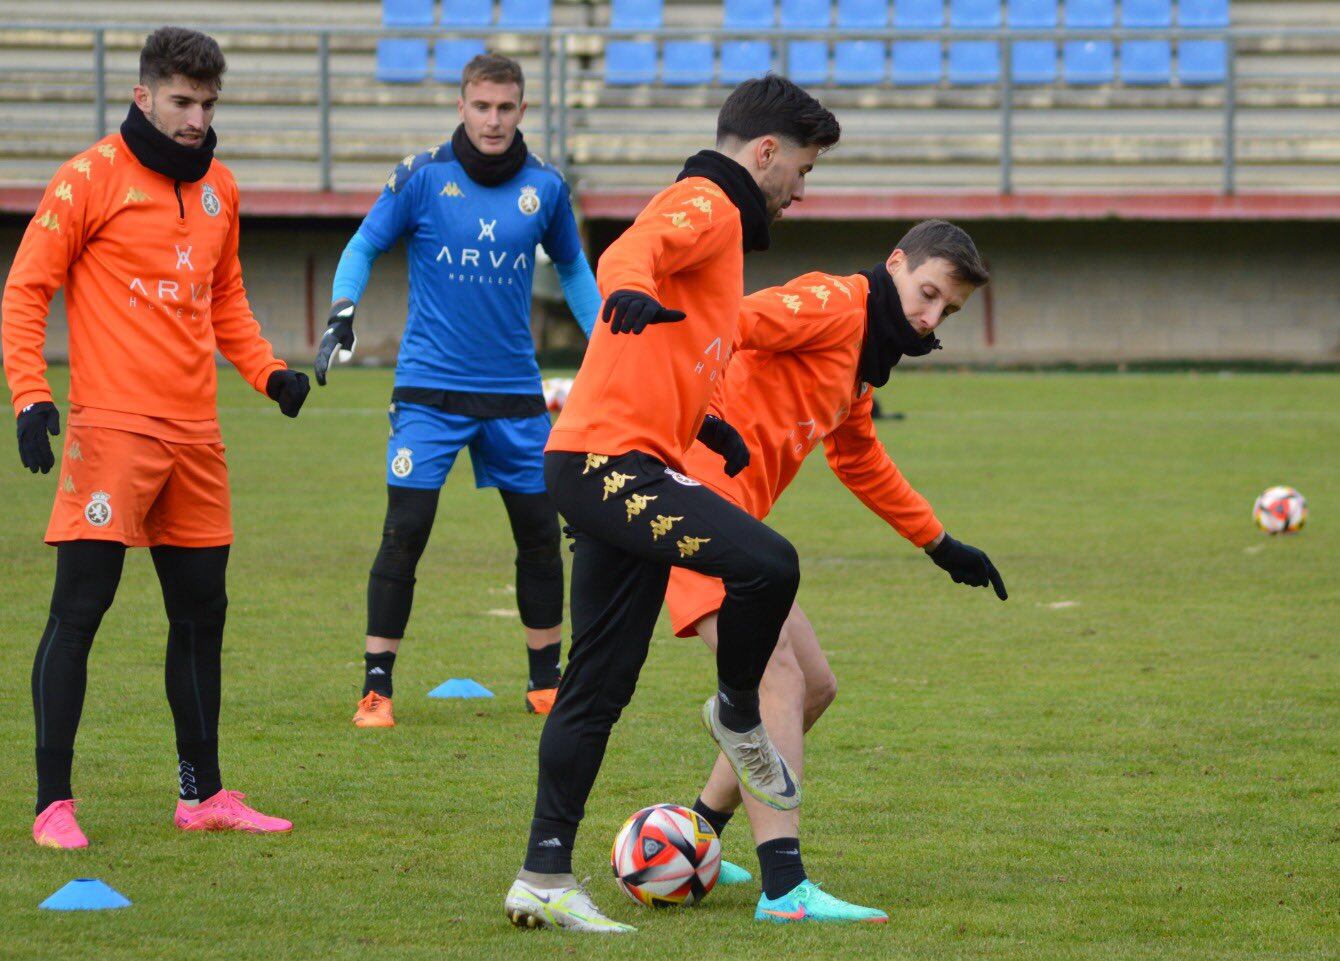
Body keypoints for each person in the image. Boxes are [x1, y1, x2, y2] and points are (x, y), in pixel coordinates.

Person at [503, 76, 841, 933]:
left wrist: (716, 428)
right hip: (609, 464)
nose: (802, 190)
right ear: (764, 153)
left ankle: (542, 874)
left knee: (598, 686)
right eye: (800, 169)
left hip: (626, 460)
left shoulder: (728, 231)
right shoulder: (710, 203)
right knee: (769, 561)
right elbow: (630, 250)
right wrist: (623, 287)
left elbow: (686, 357)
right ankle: (737, 712)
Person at [3, 26, 309, 849]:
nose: (195, 119)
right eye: (181, 101)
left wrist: (270, 373)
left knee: (203, 616)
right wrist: (31, 396)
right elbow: (26, 290)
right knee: (79, 611)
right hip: (110, 433)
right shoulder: (89, 178)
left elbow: (227, 301)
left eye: (208, 104)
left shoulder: (221, 189)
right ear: (144, 96)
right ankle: (52, 802)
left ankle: (202, 792)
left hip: (196, 439)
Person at [666, 220, 1008, 923]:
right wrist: (698, 420)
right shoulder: (832, 304)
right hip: (693, 510)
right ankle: (784, 888)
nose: (931, 317)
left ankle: (692, 839)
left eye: (949, 311)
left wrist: (940, 544)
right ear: (895, 264)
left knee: (813, 685)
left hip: (739, 533)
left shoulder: (860, 361)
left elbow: (858, 459)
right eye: (928, 293)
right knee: (777, 680)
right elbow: (722, 323)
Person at [315, 53, 601, 728]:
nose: (493, 120)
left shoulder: (547, 188)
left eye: (505, 108)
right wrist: (342, 310)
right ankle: (377, 687)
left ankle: (545, 683)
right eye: (482, 106)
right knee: (405, 530)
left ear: (522, 110)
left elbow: (574, 270)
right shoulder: (421, 177)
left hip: (513, 395)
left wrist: (610, 341)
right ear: (462, 106)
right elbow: (362, 244)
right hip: (428, 392)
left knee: (537, 533)